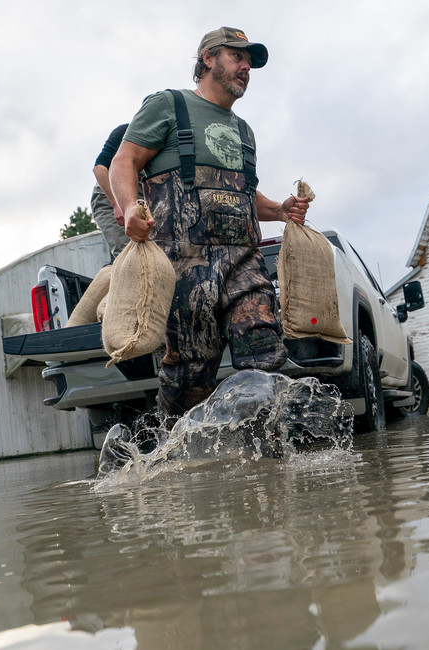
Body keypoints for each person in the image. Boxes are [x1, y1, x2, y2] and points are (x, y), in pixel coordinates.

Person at [107, 26, 309, 416]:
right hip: (184, 265)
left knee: (264, 349)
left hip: (243, 262)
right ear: (208, 58)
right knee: (190, 376)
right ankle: (168, 461)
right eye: (238, 56)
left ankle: (275, 455)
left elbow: (243, 195)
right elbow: (123, 161)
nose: (246, 67)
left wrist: (280, 212)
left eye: (250, 61)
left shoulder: (244, 131)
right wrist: (130, 207)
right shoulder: (168, 105)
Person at [91, 123, 129, 261]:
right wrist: (117, 204)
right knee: (128, 255)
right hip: (109, 198)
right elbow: (99, 169)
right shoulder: (124, 132)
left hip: (138, 197)